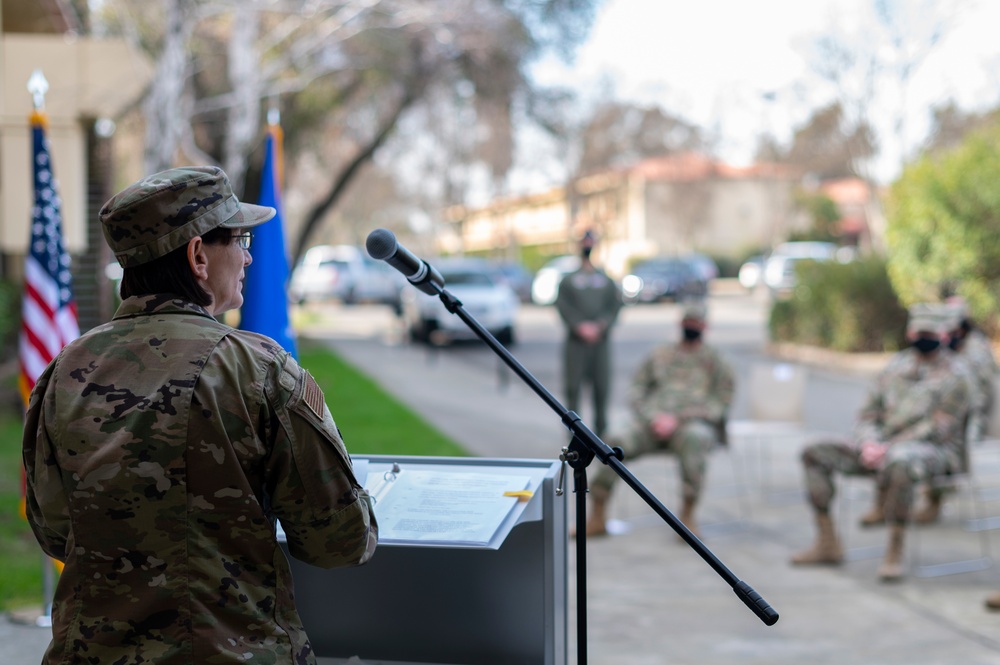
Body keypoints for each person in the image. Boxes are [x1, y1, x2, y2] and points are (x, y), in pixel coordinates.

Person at [22, 166, 377, 664]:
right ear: (197, 255)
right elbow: (338, 539)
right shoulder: (258, 368)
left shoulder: (64, 370)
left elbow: (54, 528)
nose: (250, 255)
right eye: (240, 238)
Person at [790, 302, 969, 581]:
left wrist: (888, 448)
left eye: (931, 333)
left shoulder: (959, 376)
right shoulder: (895, 366)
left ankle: (894, 549)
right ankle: (827, 542)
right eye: (920, 331)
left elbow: (937, 427)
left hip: (934, 452)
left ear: (945, 336)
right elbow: (867, 413)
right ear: (910, 333)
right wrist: (868, 443)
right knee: (814, 452)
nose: (924, 337)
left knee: (901, 461)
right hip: (880, 449)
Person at [580, 301, 734, 538]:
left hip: (690, 425)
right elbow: (636, 390)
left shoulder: (716, 361)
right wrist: (653, 417)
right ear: (680, 324)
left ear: (704, 327)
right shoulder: (660, 354)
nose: (691, 327)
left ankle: (688, 517)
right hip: (652, 423)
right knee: (615, 439)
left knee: (696, 438)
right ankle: (598, 514)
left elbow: (721, 403)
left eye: (696, 324)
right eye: (687, 323)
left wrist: (679, 419)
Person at [555, 230, 623, 438]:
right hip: (576, 343)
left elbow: (615, 306)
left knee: (601, 388)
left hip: (600, 343)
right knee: (573, 389)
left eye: (590, 242)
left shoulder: (606, 280)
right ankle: (574, 435)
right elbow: (562, 305)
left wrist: (600, 325)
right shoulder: (569, 280)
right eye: (584, 242)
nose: (588, 245)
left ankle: (601, 435)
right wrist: (579, 326)